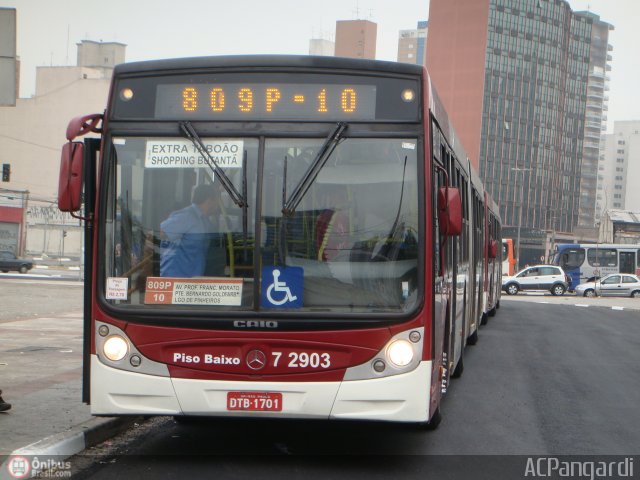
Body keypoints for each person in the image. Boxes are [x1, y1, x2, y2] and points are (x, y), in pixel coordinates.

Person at [160, 183, 224, 277]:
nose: (219, 204)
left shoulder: (205, 221)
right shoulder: (187, 216)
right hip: (176, 278)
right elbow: (162, 233)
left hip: (193, 278)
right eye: (218, 200)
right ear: (209, 200)